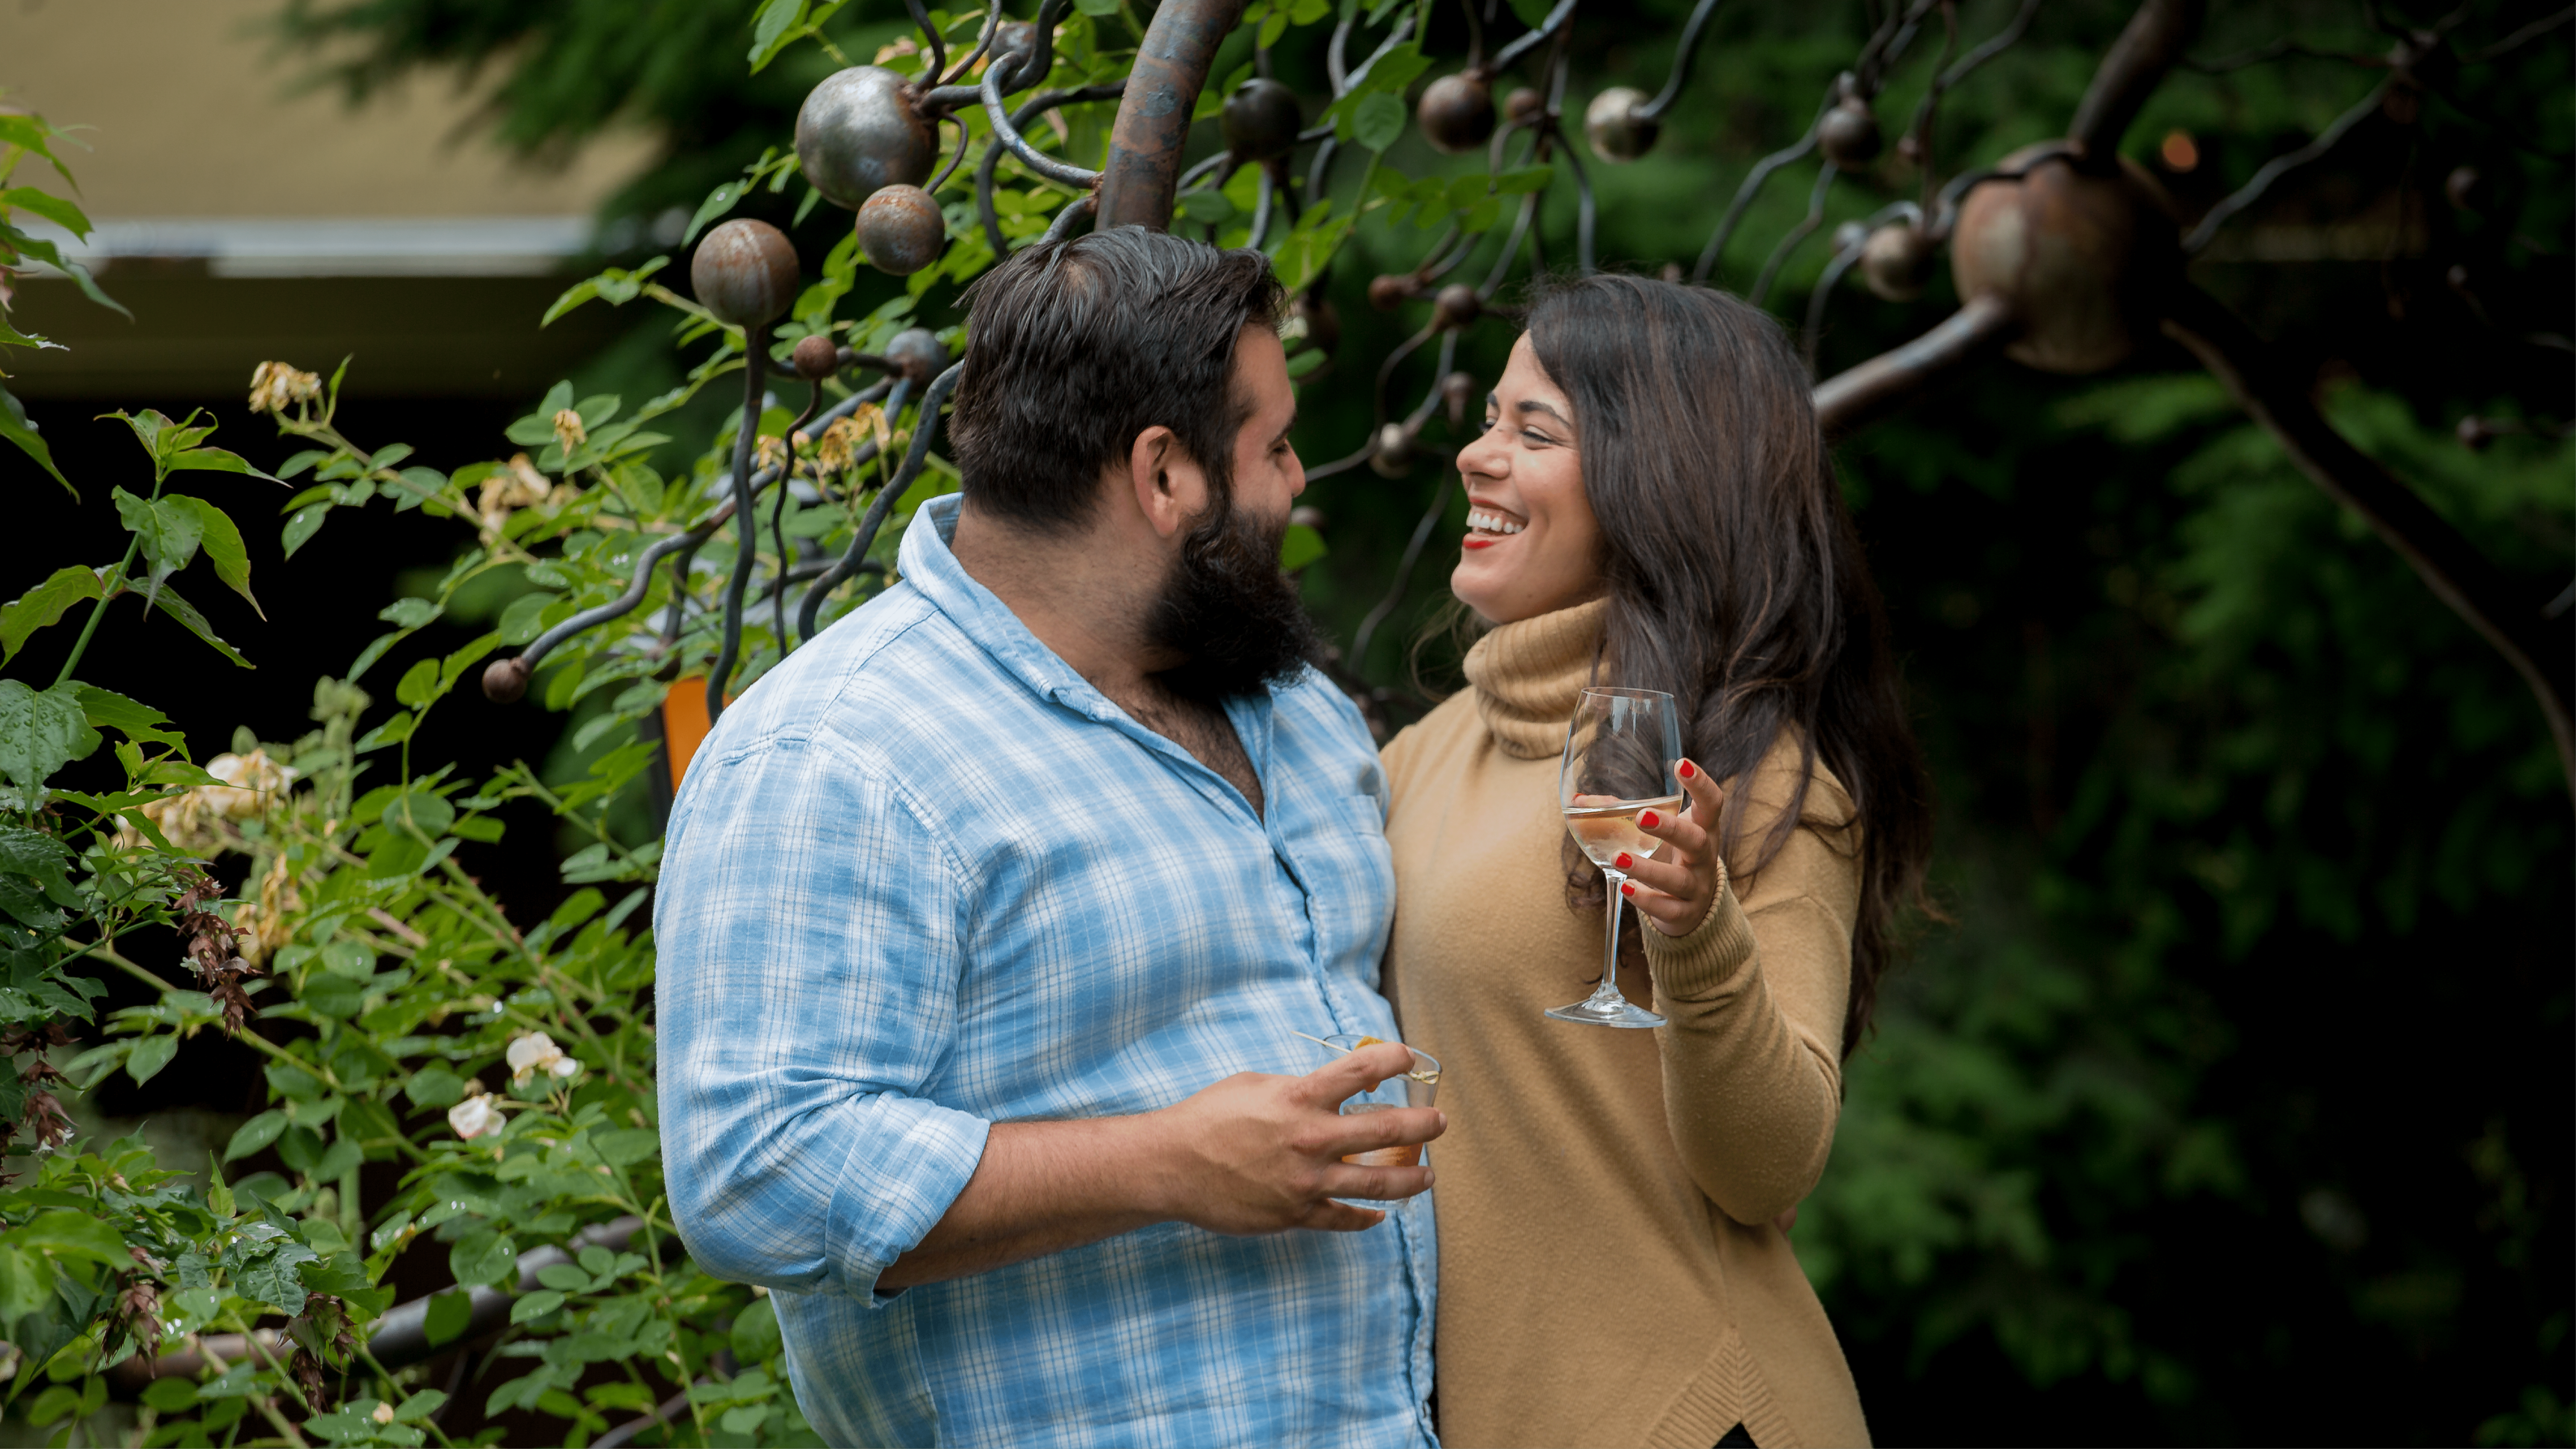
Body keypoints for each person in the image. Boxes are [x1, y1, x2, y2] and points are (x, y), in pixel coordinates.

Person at [654, 228, 1444, 1449]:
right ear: (1164, 473)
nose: (1295, 482)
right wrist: (1167, 1161)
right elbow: (755, 1172)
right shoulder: (836, 754)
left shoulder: (1292, 707)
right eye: (1273, 446)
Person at [1379, 274, 1933, 1449]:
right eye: (1489, 419)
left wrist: (1697, 931)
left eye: (1534, 430)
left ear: (1654, 481)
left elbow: (1769, 1166)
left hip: (1686, 1413)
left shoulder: (1755, 771)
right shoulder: (1424, 753)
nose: (1478, 455)